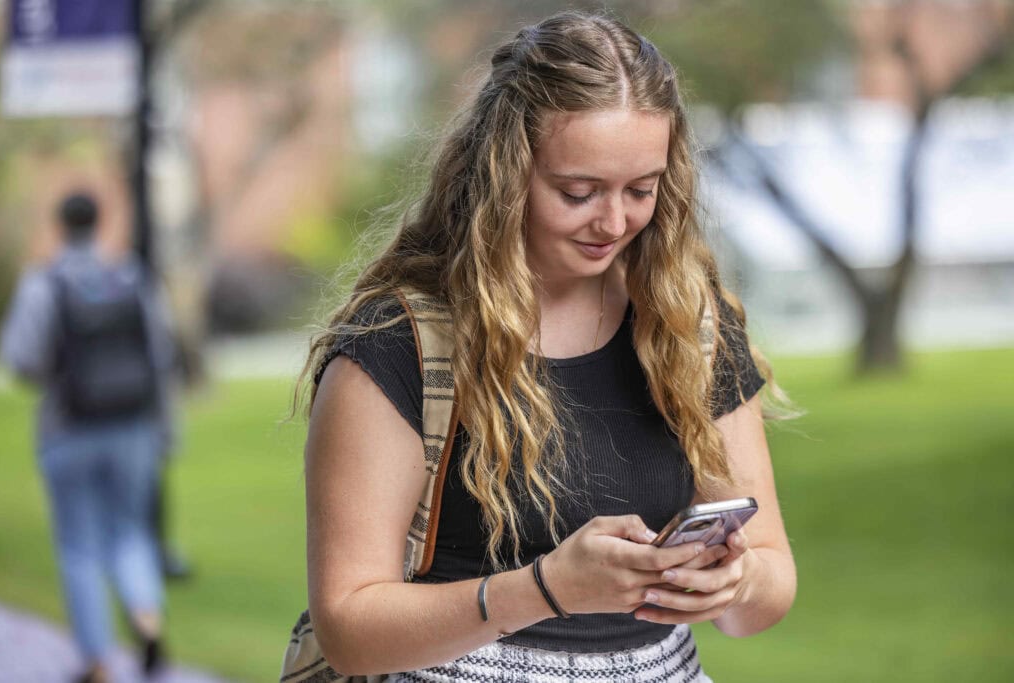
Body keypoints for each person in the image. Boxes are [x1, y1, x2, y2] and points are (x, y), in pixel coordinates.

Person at [300, 11, 796, 682]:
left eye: (641, 190)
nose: (614, 221)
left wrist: (733, 582)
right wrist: (547, 587)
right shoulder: (398, 346)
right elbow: (349, 626)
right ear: (506, 172)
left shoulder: (686, 320)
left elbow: (769, 578)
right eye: (579, 191)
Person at [0, 191, 172, 683]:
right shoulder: (133, 278)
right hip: (133, 428)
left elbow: (22, 359)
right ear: (101, 222)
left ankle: (97, 662)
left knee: (79, 544)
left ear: (60, 224)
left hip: (68, 427)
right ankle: (146, 616)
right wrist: (165, 428)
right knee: (131, 531)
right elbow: (160, 356)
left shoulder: (43, 283)